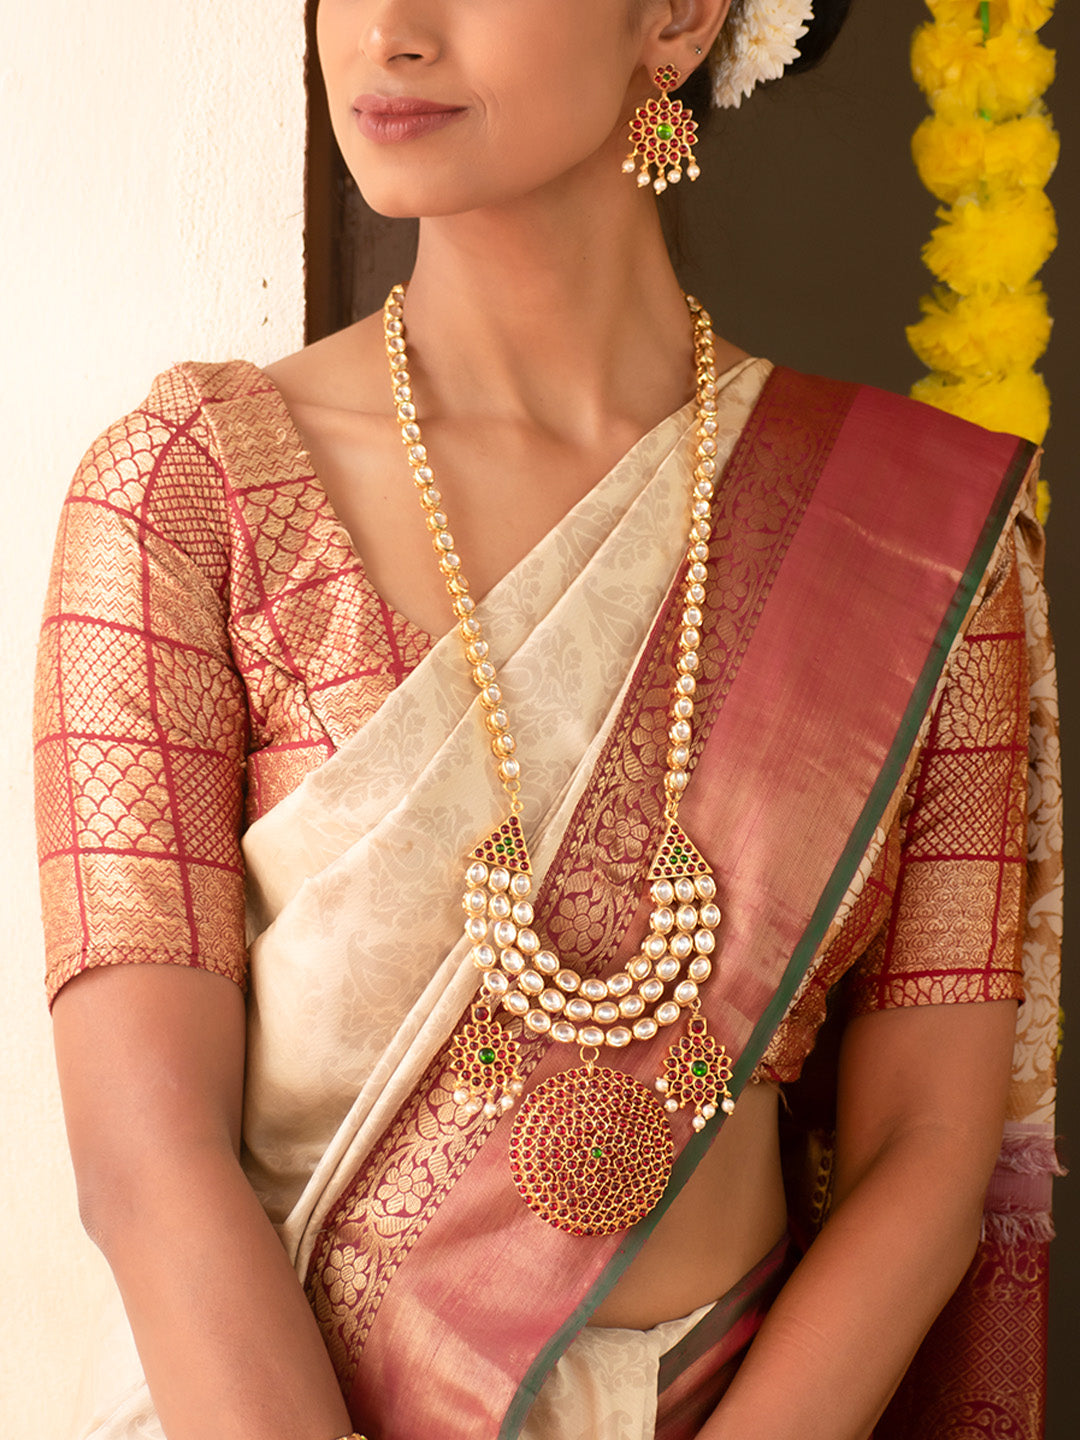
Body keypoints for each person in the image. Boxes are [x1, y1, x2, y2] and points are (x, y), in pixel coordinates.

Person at [34, 2, 1061, 1438]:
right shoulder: (190, 496)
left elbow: (926, 1153)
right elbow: (148, 1161)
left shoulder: (906, 538)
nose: (386, 32)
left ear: (679, 16)